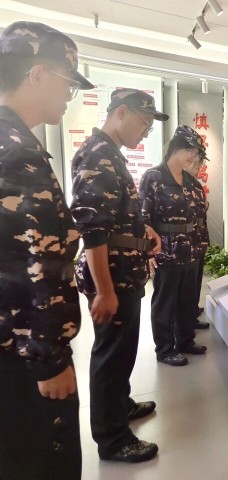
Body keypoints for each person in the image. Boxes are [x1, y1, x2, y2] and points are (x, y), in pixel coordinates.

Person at [0, 21, 93, 480]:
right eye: (67, 82)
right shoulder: (19, 153)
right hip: (22, 357)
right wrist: (49, 360)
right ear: (37, 75)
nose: (69, 96)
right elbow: (32, 268)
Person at [70, 88, 165, 463]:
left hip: (124, 271)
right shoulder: (98, 155)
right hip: (111, 276)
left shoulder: (110, 154)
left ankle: (120, 404)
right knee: (111, 354)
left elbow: (115, 218)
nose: (145, 131)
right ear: (121, 112)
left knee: (122, 349)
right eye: (144, 123)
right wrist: (104, 291)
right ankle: (113, 439)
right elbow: (93, 230)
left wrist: (144, 232)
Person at [139, 125, 208, 367]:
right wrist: (148, 252)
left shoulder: (192, 183)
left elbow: (199, 218)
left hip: (191, 250)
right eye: (190, 151)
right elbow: (143, 217)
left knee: (188, 300)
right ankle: (165, 349)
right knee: (165, 302)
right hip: (166, 251)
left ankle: (186, 341)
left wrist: (201, 246)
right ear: (175, 148)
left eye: (196, 153)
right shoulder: (154, 177)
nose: (193, 157)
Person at [188, 153, 211, 330]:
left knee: (196, 281)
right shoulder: (177, 183)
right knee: (183, 288)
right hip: (183, 244)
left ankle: (192, 313)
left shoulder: (195, 185)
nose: (199, 167)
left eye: (201, 164)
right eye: (196, 163)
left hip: (198, 240)